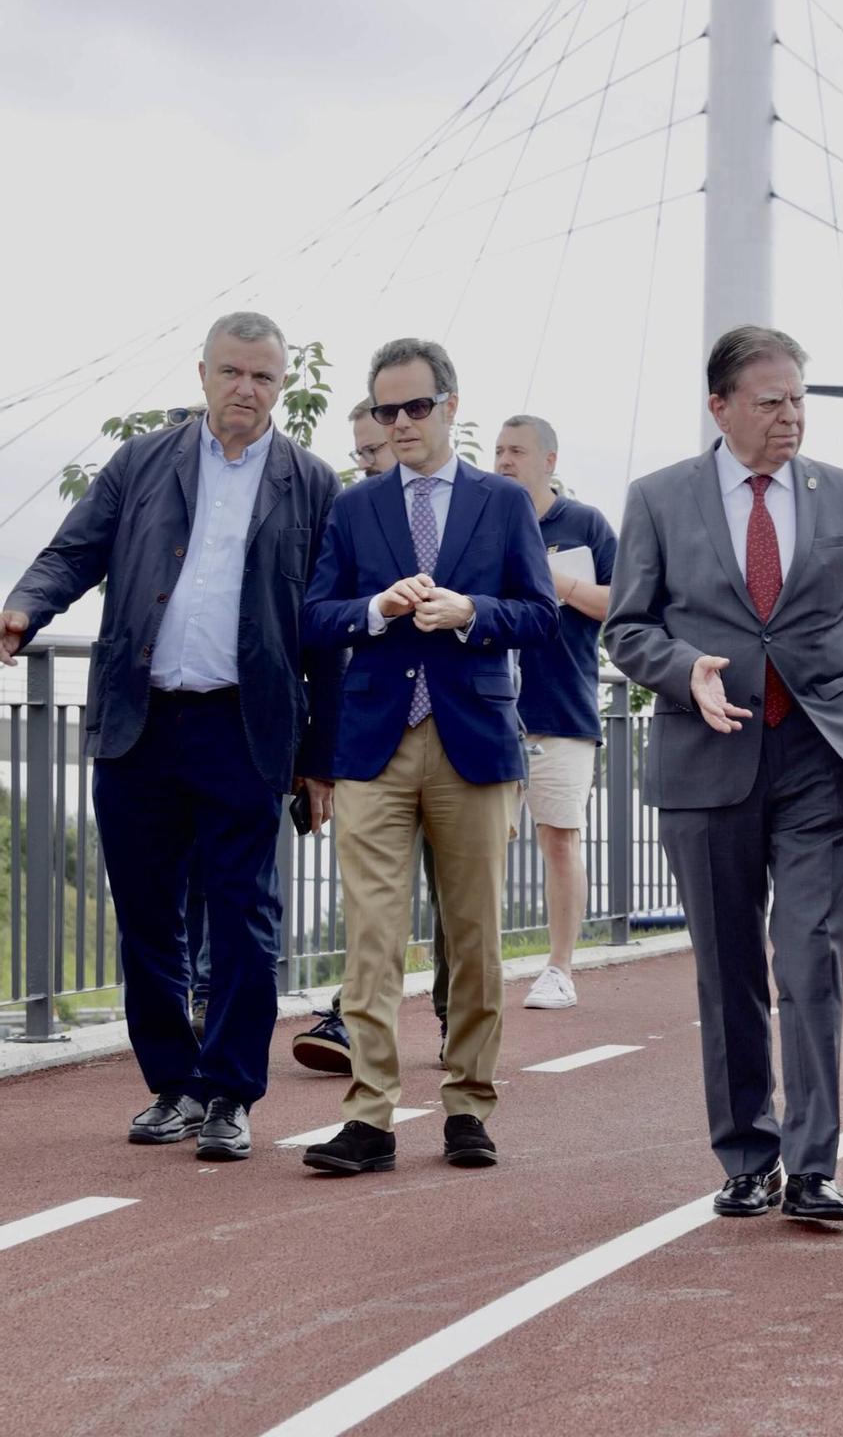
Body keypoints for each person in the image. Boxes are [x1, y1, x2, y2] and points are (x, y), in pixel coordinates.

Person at [0, 312, 341, 1159]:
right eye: (231, 372)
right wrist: (23, 610)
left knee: (244, 919)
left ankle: (230, 1093)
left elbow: (327, 636)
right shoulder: (144, 461)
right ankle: (173, 1086)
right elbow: (72, 552)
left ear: (282, 386)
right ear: (201, 375)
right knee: (147, 915)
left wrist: (321, 758)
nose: (245, 390)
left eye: (263, 377)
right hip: (139, 721)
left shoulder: (311, 482)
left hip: (246, 727)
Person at [605, 325, 843, 1223]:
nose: (791, 417)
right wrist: (682, 669)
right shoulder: (658, 499)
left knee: (809, 957)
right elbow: (627, 628)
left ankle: (813, 1164)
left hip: (823, 758)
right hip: (707, 755)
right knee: (728, 967)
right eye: (771, 401)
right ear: (720, 407)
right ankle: (748, 1156)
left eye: (798, 399)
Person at [298, 337, 559, 1175]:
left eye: (415, 407)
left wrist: (470, 611)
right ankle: (370, 1117)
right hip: (372, 745)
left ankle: (467, 1104)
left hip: (474, 743)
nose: (400, 423)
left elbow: (541, 615)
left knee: (473, 933)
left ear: (450, 406)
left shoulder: (504, 502)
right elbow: (312, 617)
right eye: (385, 410)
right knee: (371, 937)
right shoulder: (354, 506)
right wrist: (374, 610)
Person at [494, 414, 617, 1010]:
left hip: (563, 706)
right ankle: (478, 968)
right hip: (489, 710)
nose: (503, 460)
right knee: (480, 844)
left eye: (516, 450)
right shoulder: (487, 516)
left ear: (550, 460)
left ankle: (559, 968)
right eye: (497, 450)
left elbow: (624, 603)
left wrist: (557, 584)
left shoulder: (586, 524)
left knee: (559, 837)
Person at [290, 397, 397, 1077]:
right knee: (369, 890)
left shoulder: (467, 512)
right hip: (365, 732)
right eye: (359, 452)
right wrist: (318, 759)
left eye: (375, 450)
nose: (366, 463)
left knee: (453, 906)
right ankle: (347, 1013)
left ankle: (451, 1015)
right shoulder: (348, 519)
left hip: (456, 739)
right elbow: (319, 632)